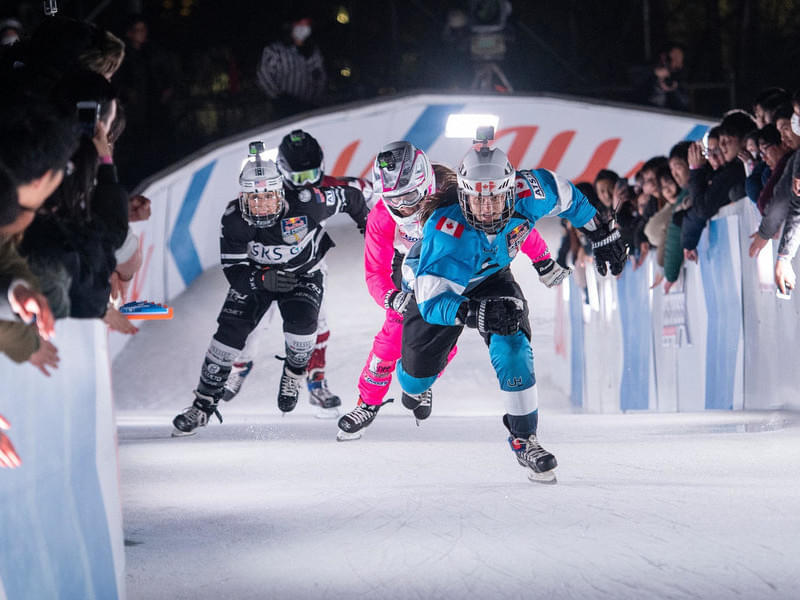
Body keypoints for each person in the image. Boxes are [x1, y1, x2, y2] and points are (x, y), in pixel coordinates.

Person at [394, 129, 626, 483]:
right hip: (441, 286)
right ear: (463, 197)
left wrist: (599, 230)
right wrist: (472, 313)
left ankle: (524, 439)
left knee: (513, 342)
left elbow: (567, 196)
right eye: (477, 201)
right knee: (413, 386)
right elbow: (429, 301)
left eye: (495, 199)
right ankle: (415, 382)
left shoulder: (530, 191)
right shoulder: (446, 230)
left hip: (492, 276)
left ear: (511, 191)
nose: (487, 210)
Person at [336, 141, 572, 441]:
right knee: (392, 333)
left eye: (408, 196)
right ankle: (367, 402)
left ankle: (427, 372)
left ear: (425, 184)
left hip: (473, 264)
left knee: (449, 323)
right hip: (415, 269)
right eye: (391, 199)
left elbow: (508, 222)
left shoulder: (454, 192)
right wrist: (392, 298)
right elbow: (375, 272)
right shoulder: (382, 216)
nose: (402, 207)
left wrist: (542, 259)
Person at [171, 141, 368, 436]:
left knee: (303, 327)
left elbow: (352, 197)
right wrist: (260, 280)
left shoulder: (309, 201)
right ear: (242, 197)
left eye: (268, 197)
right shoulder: (234, 218)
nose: (262, 205)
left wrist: (368, 228)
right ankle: (202, 405)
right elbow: (234, 270)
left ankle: (294, 372)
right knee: (228, 336)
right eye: (254, 198)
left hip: (303, 274)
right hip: (257, 277)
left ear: (281, 192)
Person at [222, 129, 372, 415]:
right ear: (281, 169)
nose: (309, 182)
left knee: (316, 323)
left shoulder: (329, 187)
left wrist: (376, 223)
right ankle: (239, 365)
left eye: (313, 173)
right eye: (300, 177)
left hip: (307, 266)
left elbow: (367, 191)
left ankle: (316, 381)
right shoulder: (266, 189)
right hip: (263, 268)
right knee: (252, 324)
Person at [256, 15, 327, 119]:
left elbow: (320, 75)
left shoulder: (312, 51)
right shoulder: (275, 51)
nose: (304, 28)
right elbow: (263, 75)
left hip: (309, 110)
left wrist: (315, 100)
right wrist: (280, 99)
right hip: (283, 111)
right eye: (300, 25)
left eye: (306, 25)